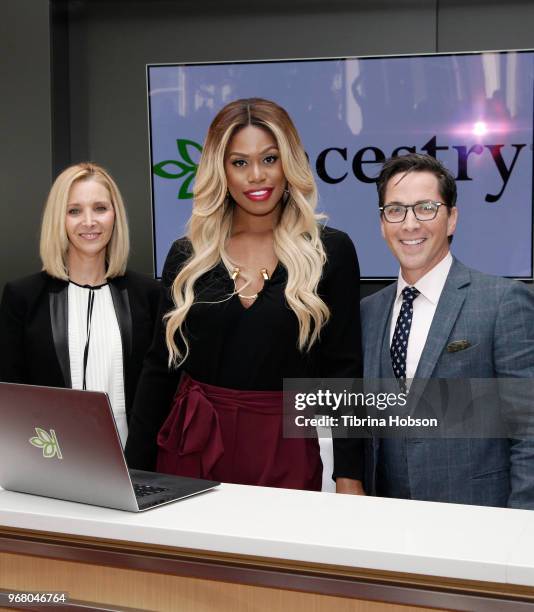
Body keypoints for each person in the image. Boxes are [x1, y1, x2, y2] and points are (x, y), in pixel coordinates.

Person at [125, 98, 364, 493]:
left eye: (269, 159)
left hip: (284, 449)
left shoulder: (329, 252)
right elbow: (160, 368)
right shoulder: (188, 256)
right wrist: (133, 471)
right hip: (192, 446)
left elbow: (345, 373)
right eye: (239, 162)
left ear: (289, 163)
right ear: (221, 171)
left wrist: (349, 475)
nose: (257, 175)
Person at [361, 152, 534, 508]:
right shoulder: (368, 312)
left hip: (478, 517)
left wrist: (522, 527)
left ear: (451, 218)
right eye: (395, 210)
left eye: (426, 208)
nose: (409, 224)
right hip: (387, 522)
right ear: (382, 223)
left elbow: (528, 428)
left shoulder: (503, 302)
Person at [0, 163, 161, 446]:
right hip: (50, 463)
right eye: (74, 210)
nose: (89, 221)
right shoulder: (23, 297)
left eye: (100, 208)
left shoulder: (148, 295)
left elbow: (158, 393)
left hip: (136, 465)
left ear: (115, 216)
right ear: (58, 219)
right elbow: (12, 396)